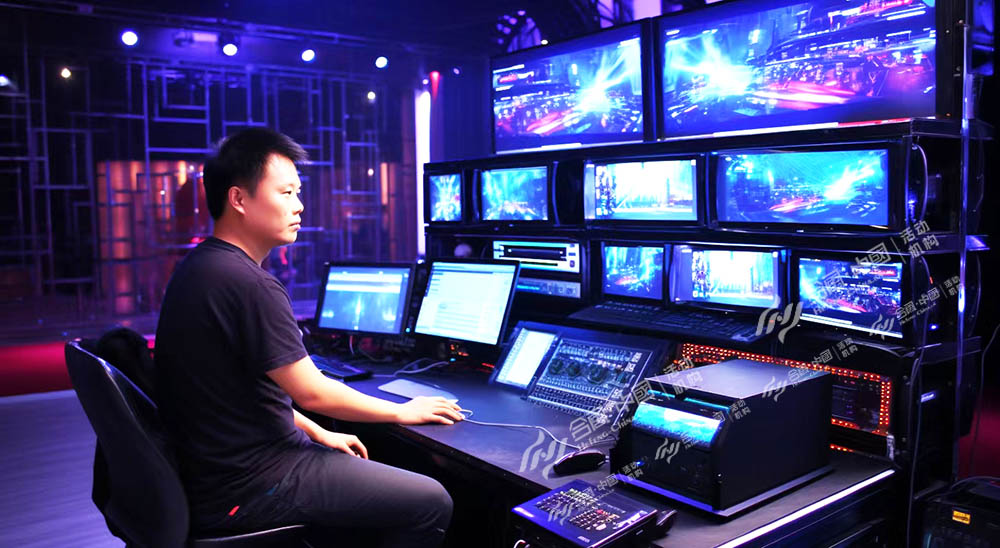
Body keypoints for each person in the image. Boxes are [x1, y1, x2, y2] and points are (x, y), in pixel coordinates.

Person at [154, 127, 463, 547]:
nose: (299, 205)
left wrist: (319, 433)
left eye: (298, 192)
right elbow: (313, 393)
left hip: (215, 476)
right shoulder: (249, 285)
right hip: (250, 485)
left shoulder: (199, 267)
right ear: (238, 199)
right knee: (432, 500)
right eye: (286, 193)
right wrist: (403, 411)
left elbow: (243, 396)